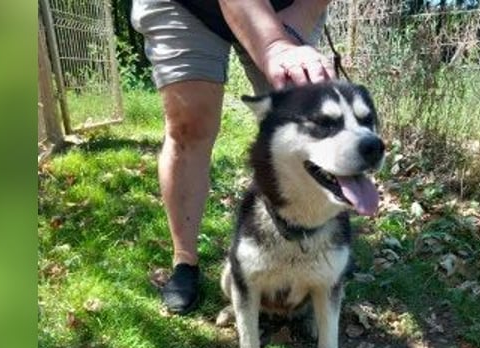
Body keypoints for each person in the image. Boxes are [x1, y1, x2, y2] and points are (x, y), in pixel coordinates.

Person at [131, 0, 336, 313]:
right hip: (186, 5)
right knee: (189, 124)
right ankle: (184, 259)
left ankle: (308, 250)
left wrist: (303, 13)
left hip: (285, 5)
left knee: (300, 124)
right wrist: (274, 45)